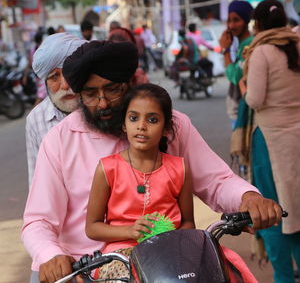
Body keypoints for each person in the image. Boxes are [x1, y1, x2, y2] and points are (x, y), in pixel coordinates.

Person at [22, 40, 282, 283]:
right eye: (91, 94)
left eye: (112, 89)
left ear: (130, 83)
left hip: (173, 262)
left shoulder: (172, 125)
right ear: (80, 95)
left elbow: (216, 180)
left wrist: (248, 198)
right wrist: (50, 255)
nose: (102, 103)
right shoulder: (60, 140)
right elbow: (38, 221)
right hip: (91, 269)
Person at [86, 83, 195, 279]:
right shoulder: (107, 168)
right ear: (124, 124)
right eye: (134, 118)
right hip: (121, 254)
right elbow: (92, 227)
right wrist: (129, 231)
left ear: (166, 128)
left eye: (152, 120)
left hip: (169, 250)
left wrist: (168, 239)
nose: (141, 126)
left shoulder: (180, 168)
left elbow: (188, 223)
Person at [240, 0, 300, 283]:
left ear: (259, 24)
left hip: (271, 141)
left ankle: (284, 278)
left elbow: (254, 99)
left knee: (272, 213)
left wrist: (243, 86)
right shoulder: (298, 42)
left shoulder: (261, 51)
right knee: (298, 210)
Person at [26, 33, 87, 187]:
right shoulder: (36, 119)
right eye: (54, 77)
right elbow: (37, 181)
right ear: (45, 82)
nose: (65, 85)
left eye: (69, 73)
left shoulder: (100, 107)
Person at [219, 0, 254, 129]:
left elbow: (235, 77)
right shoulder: (241, 45)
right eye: (229, 20)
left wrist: (225, 50)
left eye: (236, 20)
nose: (232, 25)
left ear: (246, 21)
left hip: (245, 111)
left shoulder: (250, 45)